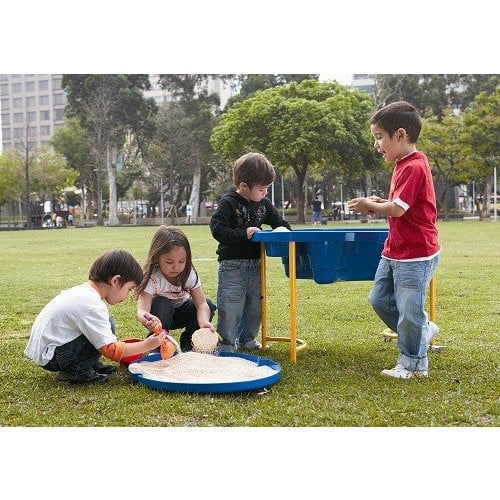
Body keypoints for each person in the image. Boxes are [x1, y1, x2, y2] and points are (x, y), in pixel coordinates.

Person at [347, 101, 441, 379]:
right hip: (395, 250)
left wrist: (372, 206)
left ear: (400, 135)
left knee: (409, 311)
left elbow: (399, 209)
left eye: (379, 137)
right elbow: (401, 204)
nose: (376, 144)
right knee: (378, 299)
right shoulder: (403, 164)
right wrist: (379, 202)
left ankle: (413, 364)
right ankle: (422, 330)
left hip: (416, 253)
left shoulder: (414, 166)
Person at [24, 250, 166, 385]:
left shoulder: (83, 292)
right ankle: (77, 371)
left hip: (50, 349)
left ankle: (88, 364)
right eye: (129, 289)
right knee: (104, 327)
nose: (127, 296)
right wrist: (148, 345)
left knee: (106, 323)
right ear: (116, 281)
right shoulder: (91, 305)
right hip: (54, 356)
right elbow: (111, 350)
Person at [210, 152, 292, 352]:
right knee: (231, 307)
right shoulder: (228, 202)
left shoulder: (264, 205)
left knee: (256, 306)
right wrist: (242, 234)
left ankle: (247, 339)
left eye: (267, 189)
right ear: (244, 186)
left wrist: (285, 232)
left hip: (256, 265)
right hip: (232, 265)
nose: (265, 193)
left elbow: (279, 223)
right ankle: (226, 344)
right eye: (262, 189)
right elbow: (217, 229)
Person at [136, 225, 216, 352]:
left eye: (181, 261)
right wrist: (149, 319)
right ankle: (157, 346)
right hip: (160, 317)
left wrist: (203, 322)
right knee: (162, 302)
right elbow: (142, 311)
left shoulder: (189, 274)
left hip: (181, 313)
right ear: (157, 258)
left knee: (209, 304)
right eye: (169, 262)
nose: (176, 267)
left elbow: (201, 303)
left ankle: (189, 345)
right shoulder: (152, 277)